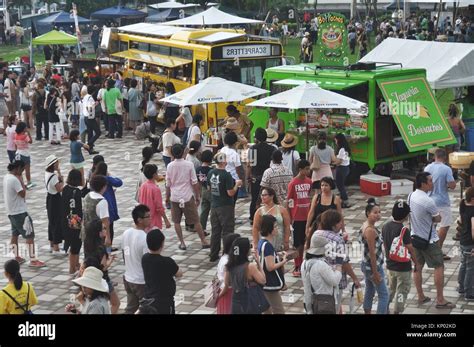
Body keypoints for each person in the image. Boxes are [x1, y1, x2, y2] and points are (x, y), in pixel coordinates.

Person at [408, 172, 454, 309]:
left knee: (417, 267)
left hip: (415, 237)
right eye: (430, 181)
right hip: (429, 240)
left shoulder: (411, 195)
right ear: (423, 183)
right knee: (439, 266)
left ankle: (421, 296)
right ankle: (440, 299)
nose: (432, 183)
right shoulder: (428, 201)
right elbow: (438, 218)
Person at [312, 209, 360, 313]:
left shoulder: (316, 234)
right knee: (335, 306)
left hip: (319, 280)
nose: (342, 224)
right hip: (335, 280)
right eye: (339, 222)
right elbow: (344, 263)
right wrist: (355, 278)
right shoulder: (338, 240)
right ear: (333, 224)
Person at [165, 144, 210, 250]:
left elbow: (168, 184)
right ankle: (203, 241)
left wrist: (166, 197)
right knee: (196, 220)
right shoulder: (189, 165)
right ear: (183, 152)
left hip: (175, 197)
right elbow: (194, 182)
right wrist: (198, 196)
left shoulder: (170, 166)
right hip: (187, 196)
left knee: (176, 221)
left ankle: (182, 243)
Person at [3, 160, 45, 267]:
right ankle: (33, 260)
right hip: (20, 212)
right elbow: (22, 194)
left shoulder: (6, 177)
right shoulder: (14, 179)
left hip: (11, 212)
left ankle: (17, 256)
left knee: (15, 234)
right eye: (22, 170)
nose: (22, 172)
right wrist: (21, 180)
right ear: (17, 168)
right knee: (29, 235)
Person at [382, 200, 417, 314]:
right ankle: (397, 311)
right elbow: (410, 249)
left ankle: (384, 308)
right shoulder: (404, 230)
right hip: (403, 267)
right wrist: (416, 262)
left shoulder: (385, 226)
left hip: (390, 265)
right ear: (406, 215)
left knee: (391, 289)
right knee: (401, 292)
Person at [208, 152, 242, 262]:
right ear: (223, 161)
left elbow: (209, 188)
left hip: (214, 205)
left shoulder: (210, 172)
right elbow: (230, 193)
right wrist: (237, 184)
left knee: (215, 231)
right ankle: (227, 255)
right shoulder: (226, 175)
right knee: (227, 231)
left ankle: (213, 254)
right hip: (226, 206)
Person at [424, 148, 456, 259]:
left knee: (431, 225)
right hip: (442, 201)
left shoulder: (427, 168)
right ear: (445, 158)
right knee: (445, 225)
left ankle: (428, 249)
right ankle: (437, 250)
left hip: (429, 199)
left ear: (435, 157)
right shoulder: (446, 169)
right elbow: (452, 185)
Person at [142, 228, 183, 314]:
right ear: (162, 244)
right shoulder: (167, 261)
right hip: (164, 301)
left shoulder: (144, 258)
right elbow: (179, 273)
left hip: (149, 299)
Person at [222, 237, 266, 314]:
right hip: (249, 300)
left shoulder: (229, 265)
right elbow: (263, 281)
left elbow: (227, 283)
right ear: (245, 251)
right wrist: (258, 263)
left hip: (235, 299)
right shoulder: (250, 267)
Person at [359, 198, 389, 314]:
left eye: (379, 212)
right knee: (384, 295)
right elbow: (372, 253)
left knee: (370, 291)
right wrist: (376, 272)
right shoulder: (370, 230)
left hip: (366, 265)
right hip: (373, 266)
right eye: (375, 213)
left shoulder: (365, 224)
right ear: (368, 213)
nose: (378, 215)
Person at [122, 205, 151, 314]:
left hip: (128, 278)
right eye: (148, 217)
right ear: (139, 220)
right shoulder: (144, 238)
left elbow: (124, 254)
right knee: (147, 309)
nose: (150, 219)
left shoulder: (126, 233)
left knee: (130, 309)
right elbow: (147, 262)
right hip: (141, 281)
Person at [302, 235, 342, 314]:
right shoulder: (321, 264)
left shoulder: (305, 262)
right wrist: (339, 268)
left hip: (309, 301)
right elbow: (334, 281)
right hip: (324, 303)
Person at [257, 215, 288, 314]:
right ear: (269, 229)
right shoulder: (268, 246)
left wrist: (276, 255)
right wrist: (283, 261)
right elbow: (270, 267)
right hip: (270, 283)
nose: (277, 228)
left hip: (263, 282)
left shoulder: (261, 242)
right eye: (275, 226)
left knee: (267, 310)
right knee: (279, 310)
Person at [287, 160, 312, 277]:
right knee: (298, 244)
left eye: (309, 168)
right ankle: (297, 264)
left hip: (307, 217)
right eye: (306, 169)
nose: (308, 171)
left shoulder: (309, 182)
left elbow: (309, 197)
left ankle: (305, 264)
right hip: (297, 218)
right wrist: (290, 217)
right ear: (300, 169)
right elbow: (289, 201)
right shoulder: (293, 183)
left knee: (307, 242)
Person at [248, 128, 276, 223]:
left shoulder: (253, 149)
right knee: (269, 197)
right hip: (268, 176)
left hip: (256, 177)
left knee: (255, 198)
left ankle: (253, 217)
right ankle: (269, 215)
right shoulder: (272, 149)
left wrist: (249, 176)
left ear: (256, 138)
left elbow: (250, 165)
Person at [252, 187, 291, 252]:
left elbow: (287, 226)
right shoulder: (259, 211)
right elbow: (255, 228)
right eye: (262, 195)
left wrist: (286, 241)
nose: (262, 197)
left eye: (265, 195)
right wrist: (255, 243)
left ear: (272, 196)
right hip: (265, 239)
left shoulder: (282, 210)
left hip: (279, 239)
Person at [92, 162, 122, 244]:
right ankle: (108, 246)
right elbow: (119, 182)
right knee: (109, 226)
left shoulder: (94, 177)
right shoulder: (106, 179)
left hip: (97, 206)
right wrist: (110, 176)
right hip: (108, 205)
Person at [62, 169, 83, 274]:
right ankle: (72, 268)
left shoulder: (65, 189)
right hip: (76, 220)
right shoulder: (77, 192)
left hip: (67, 219)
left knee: (72, 244)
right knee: (76, 245)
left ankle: (76, 265)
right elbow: (79, 208)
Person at [82, 175, 111, 251]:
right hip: (98, 235)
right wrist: (108, 237)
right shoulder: (102, 201)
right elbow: (105, 221)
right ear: (104, 187)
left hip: (86, 232)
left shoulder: (87, 196)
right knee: (99, 257)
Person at [138, 164, 171, 231]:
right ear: (154, 174)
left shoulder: (143, 186)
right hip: (153, 219)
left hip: (144, 218)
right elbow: (159, 207)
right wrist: (166, 220)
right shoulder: (155, 189)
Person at [216, 233, 240, 314]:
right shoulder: (229, 262)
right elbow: (227, 284)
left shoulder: (224, 257)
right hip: (228, 294)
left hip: (224, 292)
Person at [44, 155, 64, 254]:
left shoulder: (47, 173)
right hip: (56, 199)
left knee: (51, 221)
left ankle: (52, 244)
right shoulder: (54, 176)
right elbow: (60, 189)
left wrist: (59, 173)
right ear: (52, 164)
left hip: (49, 198)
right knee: (57, 222)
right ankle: (56, 247)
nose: (58, 164)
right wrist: (63, 181)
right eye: (56, 163)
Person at [458, 187, 474, 300]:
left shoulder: (463, 206)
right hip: (470, 243)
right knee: (470, 268)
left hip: (463, 241)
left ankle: (461, 287)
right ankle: (469, 292)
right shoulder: (473, 211)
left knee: (463, 264)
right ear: (473, 199)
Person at [14, 122, 34, 189]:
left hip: (18, 153)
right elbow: (30, 141)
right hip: (25, 154)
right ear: (23, 129)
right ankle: (29, 182)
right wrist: (29, 134)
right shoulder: (24, 136)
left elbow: (15, 145)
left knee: (20, 170)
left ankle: (21, 182)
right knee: (27, 170)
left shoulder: (16, 135)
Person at [197, 150, 213, 232]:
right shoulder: (211, 170)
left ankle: (201, 228)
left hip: (203, 190)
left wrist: (198, 193)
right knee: (214, 210)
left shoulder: (198, 169)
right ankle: (215, 227)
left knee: (204, 210)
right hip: (211, 191)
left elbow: (198, 182)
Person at [334, 133, 352, 208]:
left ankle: (345, 200)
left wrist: (332, 163)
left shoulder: (341, 149)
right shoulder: (346, 148)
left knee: (340, 185)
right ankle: (342, 200)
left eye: (335, 140)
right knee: (341, 185)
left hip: (341, 168)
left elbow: (339, 161)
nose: (335, 141)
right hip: (346, 168)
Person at [82, 85, 100, 155]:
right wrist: (95, 104)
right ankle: (89, 145)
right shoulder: (90, 98)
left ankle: (90, 149)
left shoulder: (85, 97)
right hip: (90, 117)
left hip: (86, 117)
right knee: (98, 132)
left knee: (90, 133)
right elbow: (89, 108)